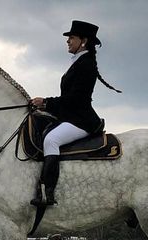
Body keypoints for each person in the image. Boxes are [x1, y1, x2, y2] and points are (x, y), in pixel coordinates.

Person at [30, 20, 121, 207]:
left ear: (84, 41)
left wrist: (46, 102)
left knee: (51, 140)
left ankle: (48, 192)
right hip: (70, 116)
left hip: (81, 120)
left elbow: (75, 99)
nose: (68, 41)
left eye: (72, 37)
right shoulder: (78, 62)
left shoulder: (86, 65)